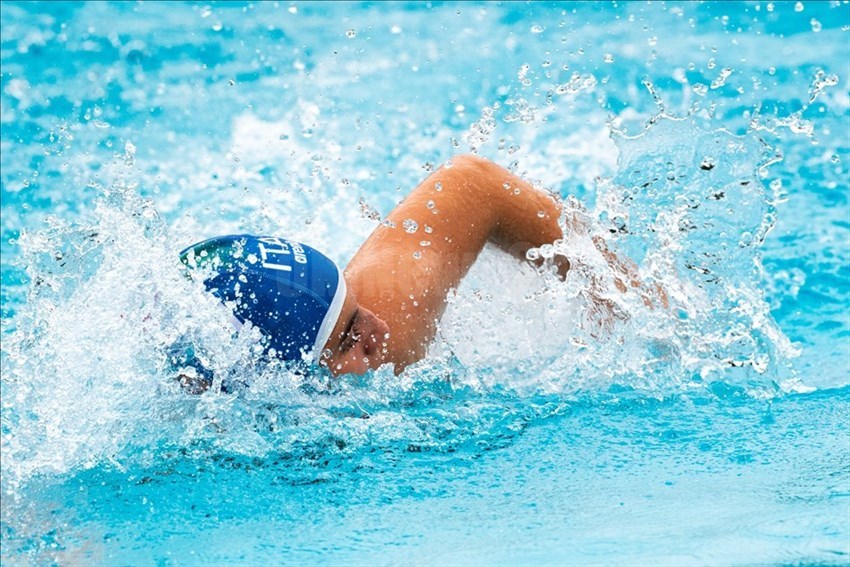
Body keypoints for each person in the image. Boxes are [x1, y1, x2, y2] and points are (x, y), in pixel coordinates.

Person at [180, 154, 659, 383]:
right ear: (284, 383)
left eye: (355, 304)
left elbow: (476, 184)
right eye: (348, 337)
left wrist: (627, 306)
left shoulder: (387, 337)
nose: (378, 327)